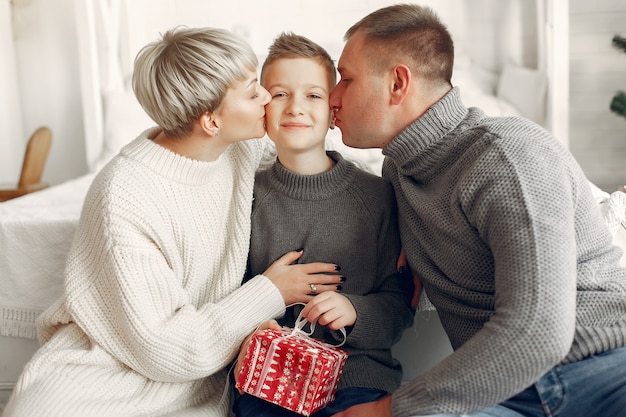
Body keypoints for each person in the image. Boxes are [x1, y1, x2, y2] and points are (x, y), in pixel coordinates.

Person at [3, 27, 343, 417]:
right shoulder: (123, 197)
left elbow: (315, 167)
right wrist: (269, 291)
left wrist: (398, 219)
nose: (268, 97)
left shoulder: (241, 148)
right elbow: (164, 349)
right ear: (211, 122)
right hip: (108, 368)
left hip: (200, 369)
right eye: (254, 91)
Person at [328, 4, 626, 417]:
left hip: (602, 367)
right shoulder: (400, 169)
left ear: (397, 83)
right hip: (505, 395)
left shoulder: (506, 157)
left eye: (346, 78)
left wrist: (388, 410)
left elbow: (538, 332)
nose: (333, 97)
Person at [232, 32, 414, 417]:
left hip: (357, 379)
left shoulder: (377, 197)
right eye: (280, 94)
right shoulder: (243, 198)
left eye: (313, 95)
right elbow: (226, 294)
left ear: (334, 111)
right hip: (271, 382)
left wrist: (354, 310)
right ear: (262, 108)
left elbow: (399, 308)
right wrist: (257, 320)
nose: (296, 107)